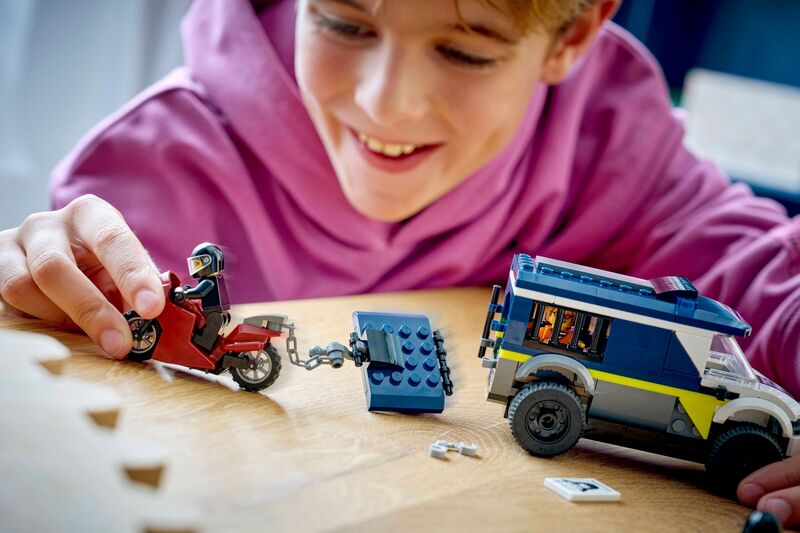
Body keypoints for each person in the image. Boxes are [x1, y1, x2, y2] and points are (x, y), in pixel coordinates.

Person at [0, 0, 798, 522]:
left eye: (466, 50)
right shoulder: (155, 166)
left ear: (571, 35)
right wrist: (30, 284)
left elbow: (766, 277)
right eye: (344, 23)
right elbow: (71, 361)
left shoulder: (617, 146)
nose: (387, 103)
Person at [172, 242, 230, 350]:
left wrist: (185, 294)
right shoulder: (215, 278)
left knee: (210, 330)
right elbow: (199, 290)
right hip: (219, 311)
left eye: (197, 264)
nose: (195, 268)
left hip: (213, 313)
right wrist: (188, 289)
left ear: (207, 262)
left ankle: (202, 344)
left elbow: (200, 292)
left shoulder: (209, 281)